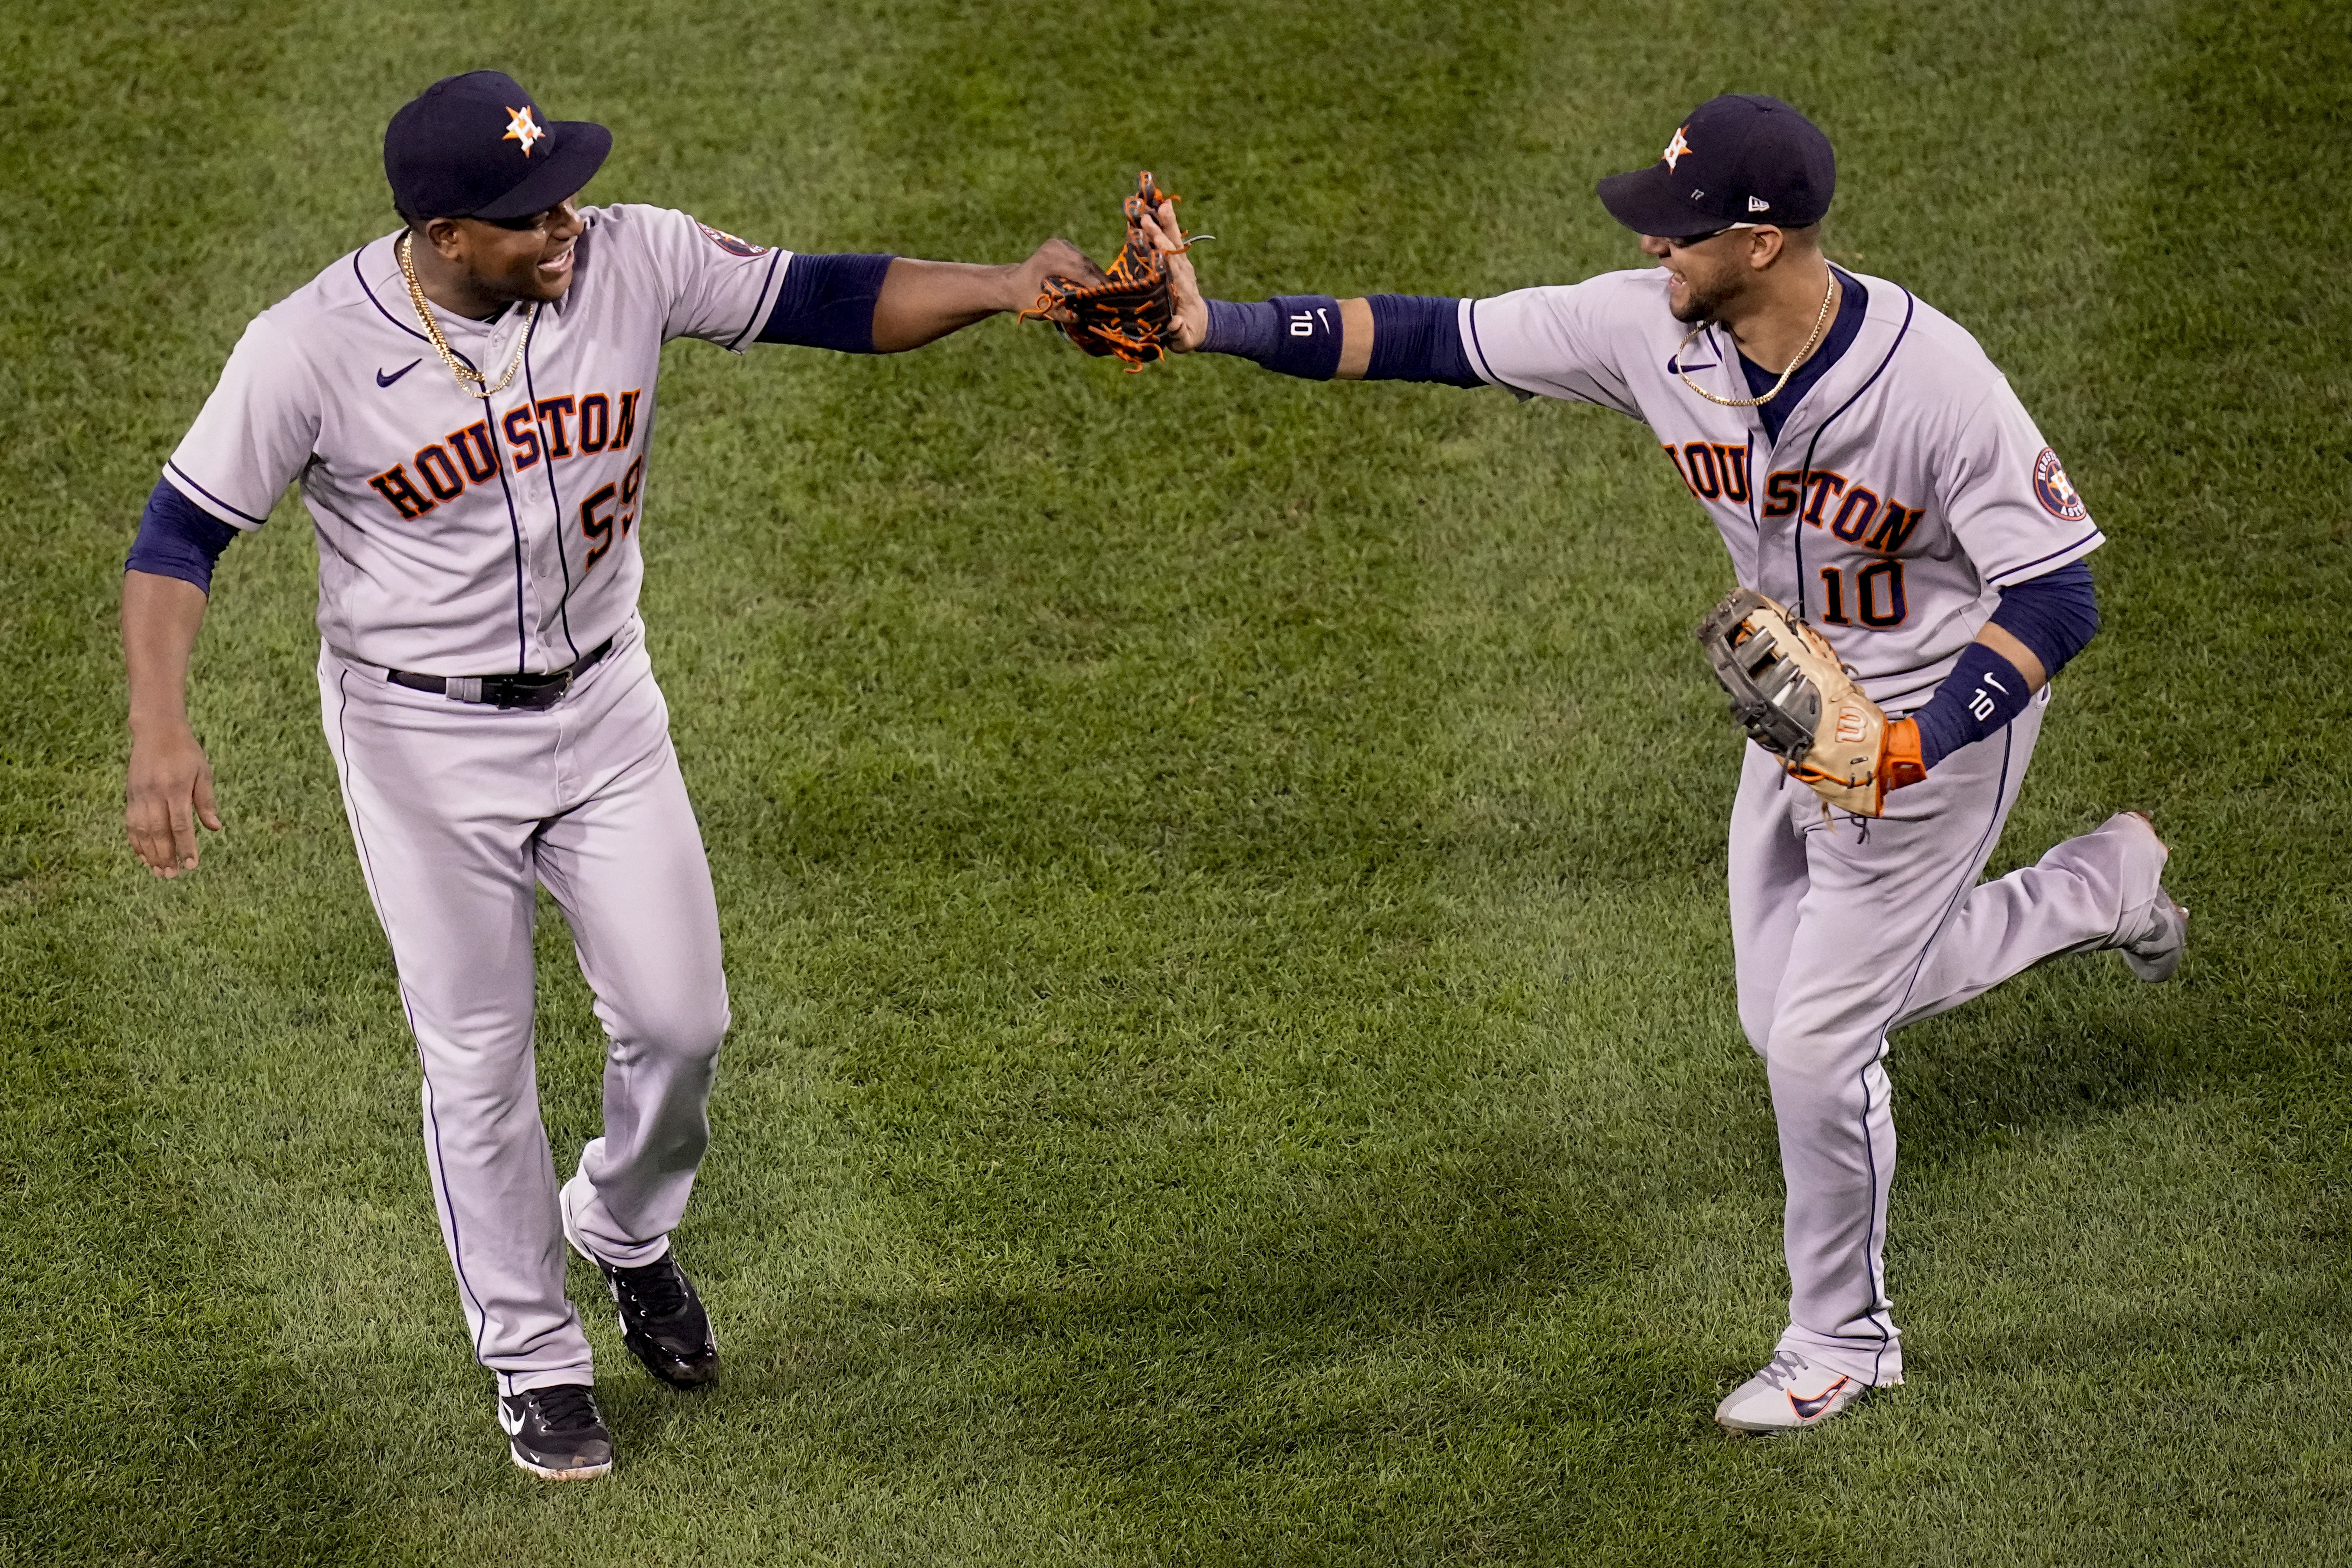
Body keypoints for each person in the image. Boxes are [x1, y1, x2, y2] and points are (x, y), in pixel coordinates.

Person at [1128, 93, 2188, 1432]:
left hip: (1941, 717)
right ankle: (2100, 888)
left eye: (1678, 232)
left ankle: (1843, 1340)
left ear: (1761, 242)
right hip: (1794, 702)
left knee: (1814, 1045)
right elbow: (1432, 336)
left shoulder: (1938, 386)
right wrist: (1211, 325)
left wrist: (1913, 748)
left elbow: (2056, 599)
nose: (1651, 249)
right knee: (1787, 1016)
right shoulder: (1651, 327)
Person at [121, 69, 1103, 1479]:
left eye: (566, 188)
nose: (566, 222)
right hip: (420, 743)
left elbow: (826, 298)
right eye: (530, 214)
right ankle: (534, 1357)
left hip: (606, 708)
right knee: (477, 1060)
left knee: (683, 1020)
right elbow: (177, 538)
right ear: (449, 232)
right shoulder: (307, 350)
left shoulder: (631, 255)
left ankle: (623, 1227)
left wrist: (1009, 286)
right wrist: (164, 727)